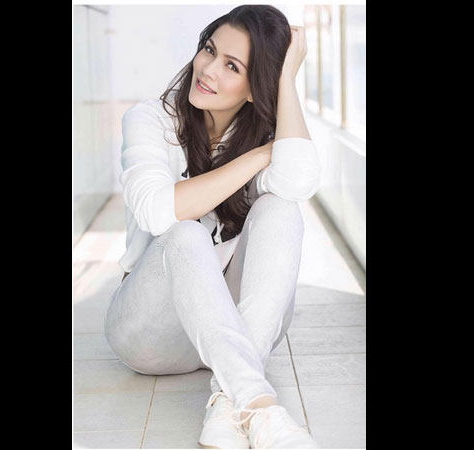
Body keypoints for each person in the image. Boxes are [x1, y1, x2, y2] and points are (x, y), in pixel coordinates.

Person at [104, 5, 321, 448]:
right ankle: (258, 402)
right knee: (184, 231)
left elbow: (299, 180)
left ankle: (228, 398)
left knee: (282, 209)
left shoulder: (262, 128)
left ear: (255, 88)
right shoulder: (151, 119)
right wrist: (260, 156)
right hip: (152, 332)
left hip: (241, 329)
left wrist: (286, 80)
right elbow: (158, 211)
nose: (207, 69)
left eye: (232, 66)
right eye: (209, 49)